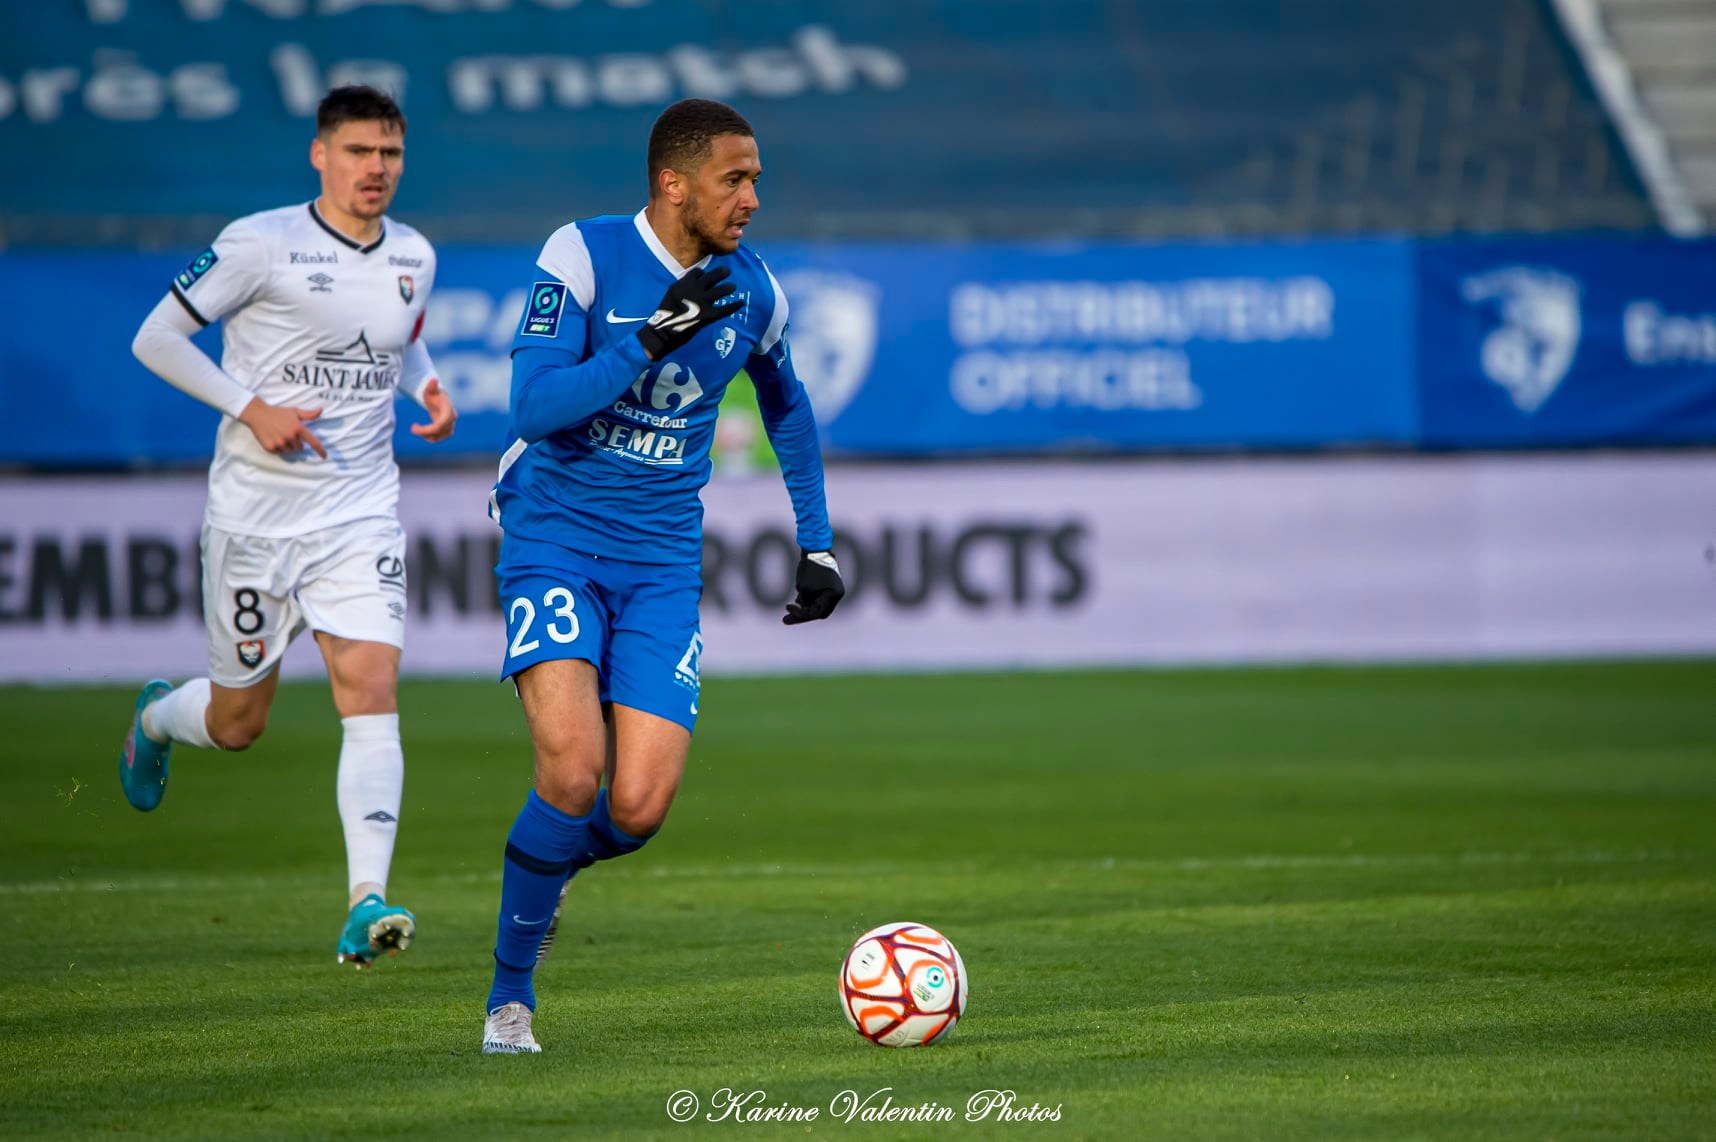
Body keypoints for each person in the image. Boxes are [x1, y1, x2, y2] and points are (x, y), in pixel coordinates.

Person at [478, 98, 844, 1054]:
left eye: (757, 177)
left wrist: (818, 542)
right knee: (570, 770)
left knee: (635, 809)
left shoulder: (755, 290)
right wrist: (646, 340)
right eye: (736, 179)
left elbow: (789, 409)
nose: (753, 198)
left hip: (660, 563)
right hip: (554, 535)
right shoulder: (585, 255)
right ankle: (508, 1001)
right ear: (674, 183)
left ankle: (543, 874)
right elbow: (532, 406)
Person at [117, 85, 457, 969]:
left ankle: (365, 901)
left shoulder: (414, 253)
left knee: (371, 691)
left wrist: (426, 385)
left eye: (388, 153)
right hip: (254, 518)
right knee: (238, 724)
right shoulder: (259, 243)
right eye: (357, 152)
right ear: (320, 154)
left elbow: (401, 333)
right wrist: (249, 406)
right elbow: (153, 339)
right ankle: (158, 719)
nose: (374, 169)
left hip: (359, 513)